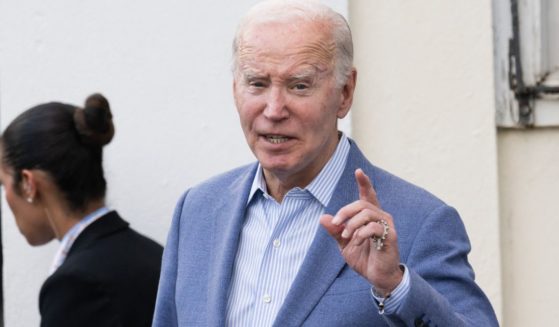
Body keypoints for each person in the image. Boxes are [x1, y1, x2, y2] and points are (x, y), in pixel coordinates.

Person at [153, 1, 498, 326]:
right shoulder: (197, 211)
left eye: (299, 85)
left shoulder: (418, 223)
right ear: (235, 90)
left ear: (345, 93)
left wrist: (395, 286)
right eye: (257, 84)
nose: (274, 110)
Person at [0, 93, 163, 327]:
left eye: (2, 184)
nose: (5, 197)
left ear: (28, 183)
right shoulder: (156, 255)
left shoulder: (76, 284)